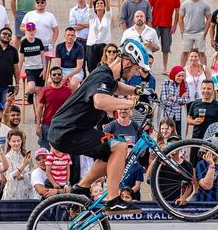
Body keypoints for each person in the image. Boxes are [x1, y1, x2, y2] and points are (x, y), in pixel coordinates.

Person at [49, 40, 150, 214]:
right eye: (135, 68)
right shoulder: (103, 76)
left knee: (109, 153)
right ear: (127, 62)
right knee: (120, 146)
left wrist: (137, 91)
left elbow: (116, 87)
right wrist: (128, 104)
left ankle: (81, 189)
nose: (135, 73)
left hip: (74, 131)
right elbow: (100, 101)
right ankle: (113, 200)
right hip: (68, 131)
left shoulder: (107, 76)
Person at [148, 0, 180, 70]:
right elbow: (149, 7)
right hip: (155, 24)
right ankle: (148, 66)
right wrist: (149, 22)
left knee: (166, 48)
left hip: (167, 25)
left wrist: (174, 25)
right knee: (151, 47)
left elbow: (177, 10)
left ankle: (165, 68)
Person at [37, 66, 72, 150]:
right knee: (45, 151)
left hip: (63, 125)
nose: (57, 76)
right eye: (54, 74)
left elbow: (71, 109)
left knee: (63, 152)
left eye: (59, 74)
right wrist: (38, 125)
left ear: (62, 76)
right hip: (47, 124)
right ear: (50, 76)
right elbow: (40, 108)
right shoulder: (45, 91)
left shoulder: (68, 91)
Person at [178, 0, 211, 66]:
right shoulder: (185, 4)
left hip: (200, 33)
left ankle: (204, 70)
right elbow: (180, 18)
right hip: (187, 32)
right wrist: (182, 31)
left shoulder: (205, 4)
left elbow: (209, 18)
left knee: (201, 53)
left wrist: (205, 32)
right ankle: (181, 70)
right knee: (185, 52)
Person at [3, 130, 34, 200]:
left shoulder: (26, 155)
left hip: (26, 190)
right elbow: (9, 177)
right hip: (13, 193)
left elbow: (31, 171)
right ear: (9, 142)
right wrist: (23, 165)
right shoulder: (7, 157)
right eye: (14, 141)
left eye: (18, 141)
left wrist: (22, 176)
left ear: (21, 141)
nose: (16, 143)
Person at [52, 27, 85, 91]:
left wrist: (67, 76)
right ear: (64, 35)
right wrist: (60, 74)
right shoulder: (59, 46)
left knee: (73, 84)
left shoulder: (79, 47)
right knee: (50, 81)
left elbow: (79, 67)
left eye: (72, 35)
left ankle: (72, 100)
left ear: (75, 36)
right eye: (68, 35)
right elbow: (58, 65)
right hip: (62, 69)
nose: (70, 37)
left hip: (75, 70)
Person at [161, 65, 190, 137]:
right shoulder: (167, 83)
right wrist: (180, 100)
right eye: (179, 76)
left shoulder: (185, 84)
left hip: (179, 115)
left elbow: (187, 100)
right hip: (168, 115)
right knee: (166, 135)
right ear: (174, 74)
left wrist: (173, 98)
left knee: (179, 136)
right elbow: (164, 100)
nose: (181, 78)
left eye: (182, 76)